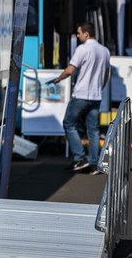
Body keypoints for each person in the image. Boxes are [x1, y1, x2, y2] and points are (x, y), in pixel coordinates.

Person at [46, 21, 111, 175]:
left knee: (69, 123)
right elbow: (106, 73)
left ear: (86, 34)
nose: (77, 35)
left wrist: (57, 79)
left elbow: (70, 69)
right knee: (93, 130)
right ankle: (94, 164)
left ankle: (79, 158)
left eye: (79, 33)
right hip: (96, 95)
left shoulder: (82, 49)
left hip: (81, 94)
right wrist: (100, 87)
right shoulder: (105, 51)